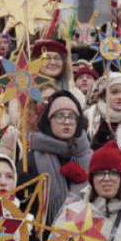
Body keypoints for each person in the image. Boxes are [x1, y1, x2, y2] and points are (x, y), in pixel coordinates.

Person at [28, 91, 94, 224]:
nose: (67, 122)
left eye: (72, 116)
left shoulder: (92, 158)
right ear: (49, 121)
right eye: (60, 116)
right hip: (43, 232)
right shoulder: (32, 159)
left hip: (86, 232)